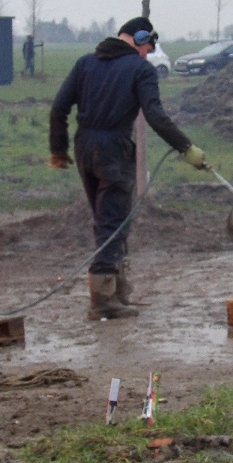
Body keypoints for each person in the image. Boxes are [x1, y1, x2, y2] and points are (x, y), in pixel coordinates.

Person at [49, 16, 207, 320]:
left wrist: (58, 149)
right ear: (138, 38)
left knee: (105, 217)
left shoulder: (84, 64)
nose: (148, 54)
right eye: (147, 47)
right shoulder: (140, 70)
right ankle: (103, 300)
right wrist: (186, 148)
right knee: (113, 223)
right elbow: (155, 115)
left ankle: (118, 292)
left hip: (84, 147)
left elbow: (59, 108)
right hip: (114, 150)